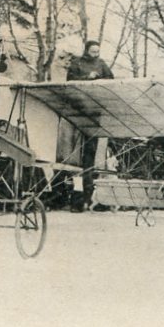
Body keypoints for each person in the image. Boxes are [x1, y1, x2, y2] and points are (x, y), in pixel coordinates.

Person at [66, 40, 114, 212]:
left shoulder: (101, 64)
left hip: (94, 111)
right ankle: (74, 199)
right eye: (93, 51)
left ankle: (85, 198)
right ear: (86, 50)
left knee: (90, 156)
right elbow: (69, 81)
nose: (96, 54)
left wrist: (99, 79)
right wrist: (87, 78)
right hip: (78, 110)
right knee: (73, 156)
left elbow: (111, 80)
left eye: (97, 51)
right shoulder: (77, 63)